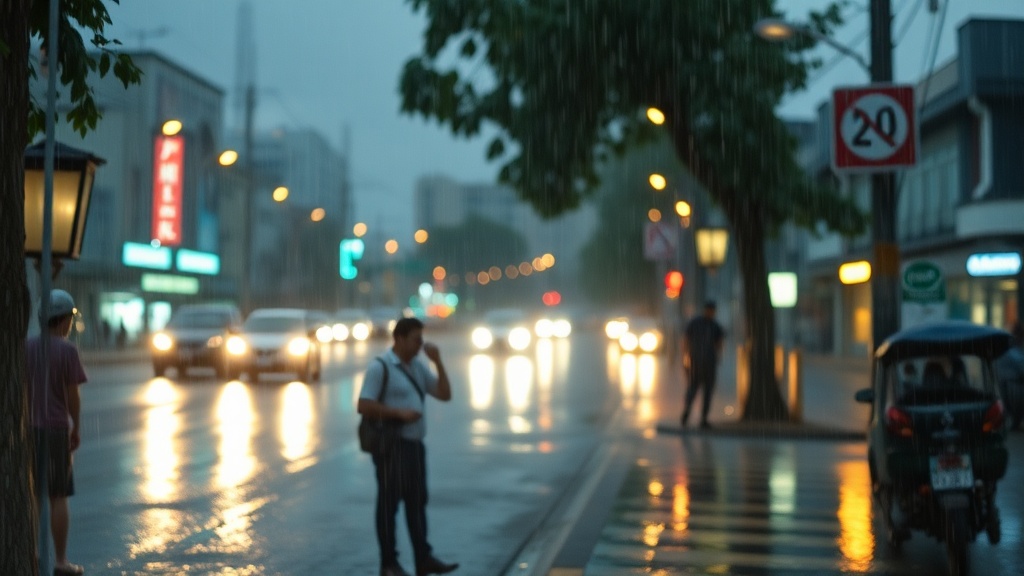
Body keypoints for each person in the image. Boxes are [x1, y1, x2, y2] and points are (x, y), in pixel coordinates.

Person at [357, 317, 459, 576]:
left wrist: (438, 362)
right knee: (389, 506)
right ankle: (389, 564)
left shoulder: (417, 366)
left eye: (421, 339)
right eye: (416, 340)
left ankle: (423, 558)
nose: (420, 345)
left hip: (414, 446)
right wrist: (399, 413)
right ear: (399, 339)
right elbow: (364, 404)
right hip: (392, 447)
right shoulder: (381, 367)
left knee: (417, 503)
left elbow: (445, 394)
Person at [26, 289, 88, 576]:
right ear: (63, 320)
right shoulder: (67, 350)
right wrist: (76, 426)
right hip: (55, 429)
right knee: (57, 495)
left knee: (34, 495)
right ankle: (61, 561)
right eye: (70, 319)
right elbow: (72, 394)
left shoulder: (26, 347)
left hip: (28, 430)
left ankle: (32, 555)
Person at [681, 300, 725, 429]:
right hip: (704, 361)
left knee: (696, 388)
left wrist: (687, 355)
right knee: (702, 389)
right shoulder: (713, 326)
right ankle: (699, 417)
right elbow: (719, 344)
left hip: (699, 361)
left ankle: (692, 413)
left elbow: (686, 339)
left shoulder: (698, 324)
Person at [995, 322, 1024, 431]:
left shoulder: (1013, 348)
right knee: (1012, 404)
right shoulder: (1012, 347)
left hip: (1011, 378)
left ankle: (1014, 423)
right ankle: (1014, 423)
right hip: (1011, 379)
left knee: (1012, 404)